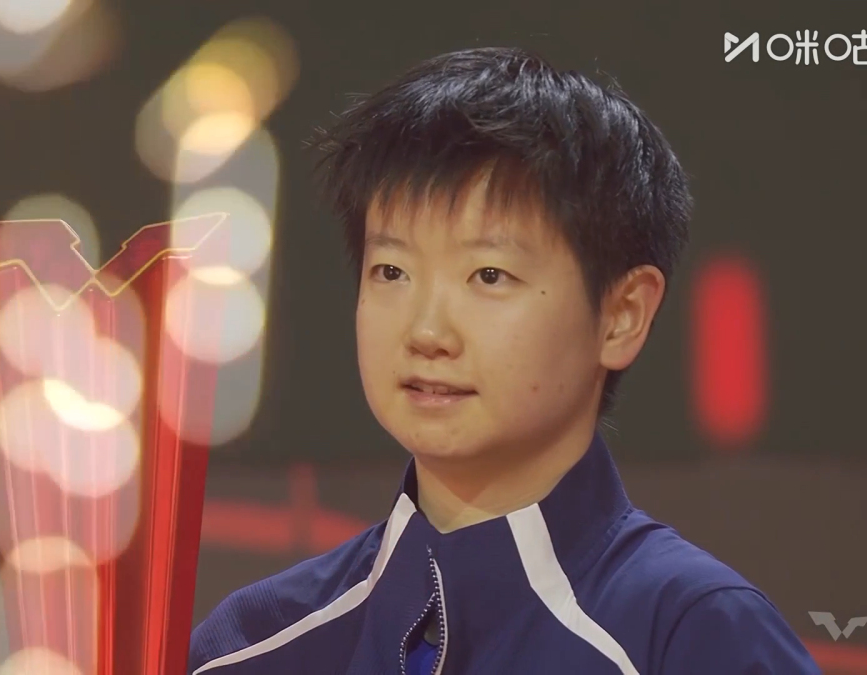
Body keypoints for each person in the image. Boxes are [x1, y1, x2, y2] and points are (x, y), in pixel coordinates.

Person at [187, 47, 820, 674]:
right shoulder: (250, 646)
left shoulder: (692, 634)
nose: (427, 332)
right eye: (392, 271)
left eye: (489, 275)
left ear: (622, 314)